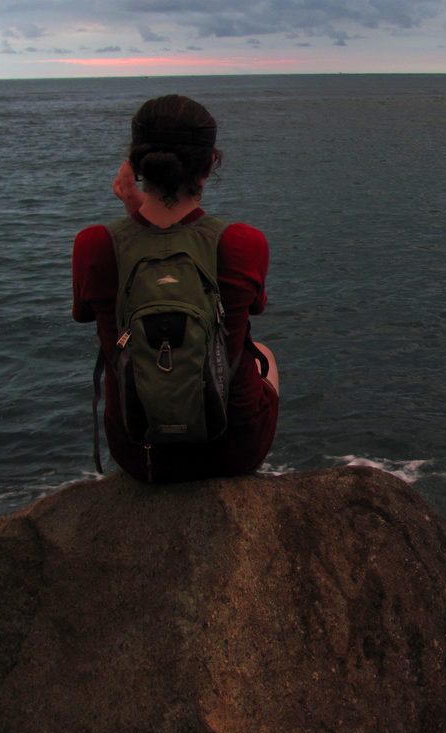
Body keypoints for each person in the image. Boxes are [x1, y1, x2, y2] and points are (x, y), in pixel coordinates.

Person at [72, 94, 278, 483]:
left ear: (135, 166)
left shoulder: (93, 244)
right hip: (232, 450)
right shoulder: (243, 242)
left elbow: (85, 314)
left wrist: (133, 212)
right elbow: (254, 309)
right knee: (263, 351)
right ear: (209, 164)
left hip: (139, 454)